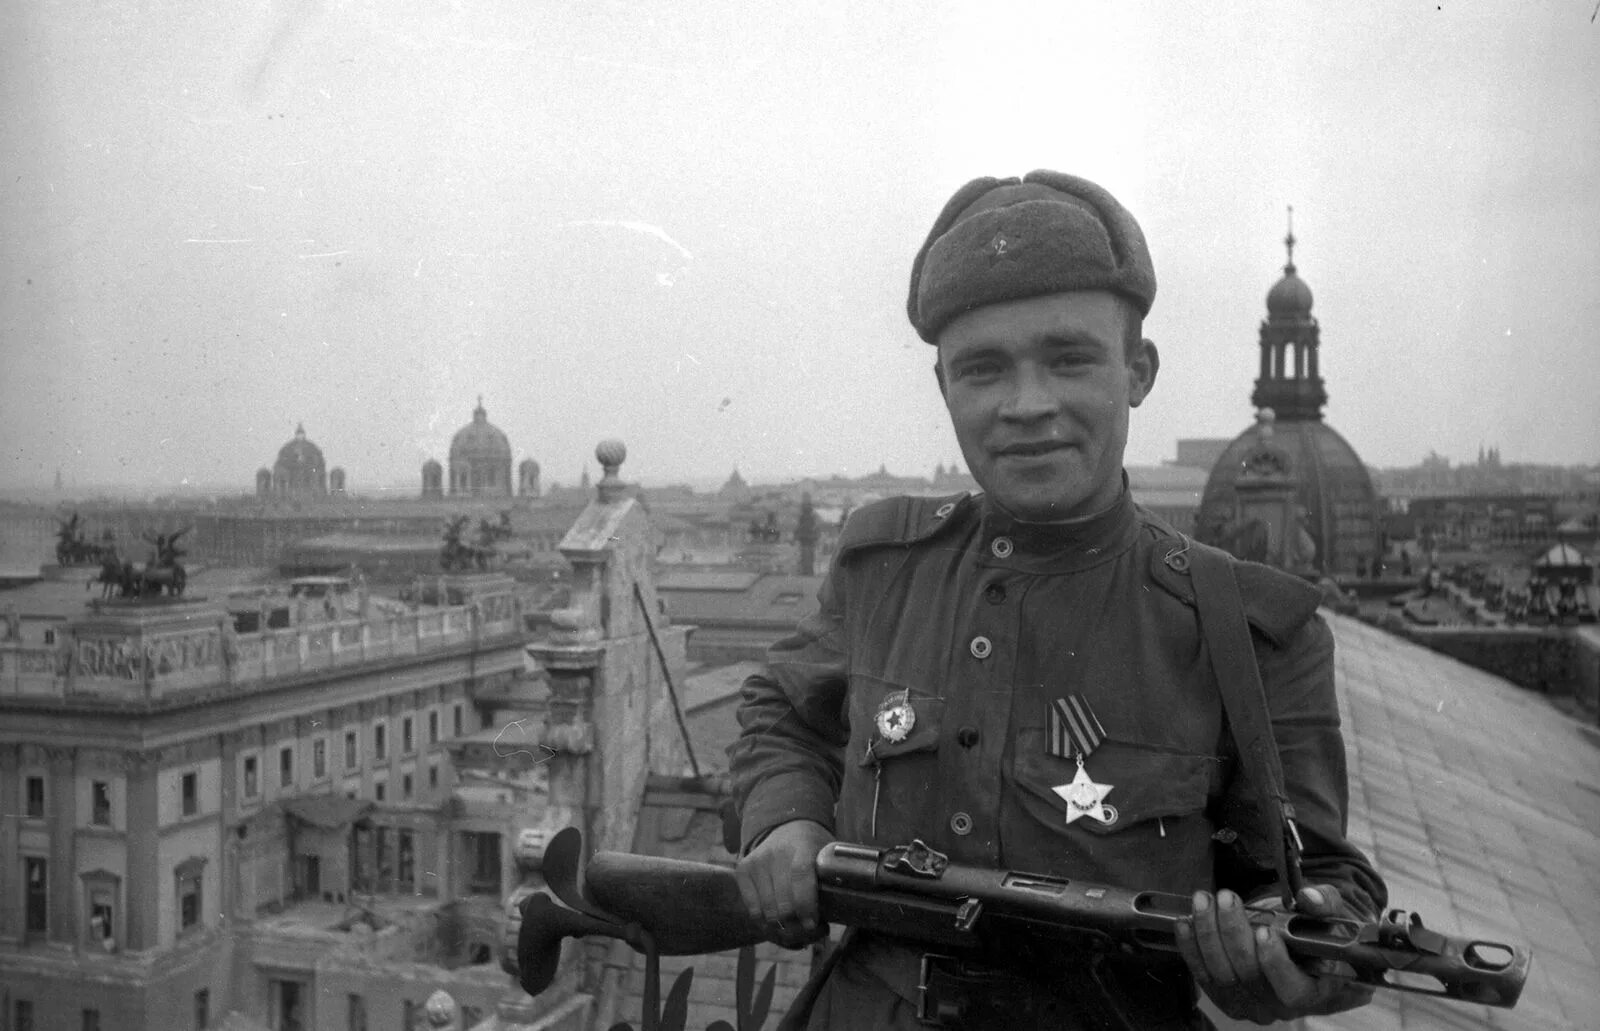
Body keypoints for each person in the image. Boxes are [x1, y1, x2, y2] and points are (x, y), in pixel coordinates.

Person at [727, 171, 1385, 1029]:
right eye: (983, 369)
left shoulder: (1248, 631)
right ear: (943, 389)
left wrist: (1290, 965)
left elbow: (1326, 884)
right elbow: (783, 713)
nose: (1026, 406)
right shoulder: (879, 569)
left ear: (1137, 370)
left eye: (1068, 359)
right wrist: (783, 821)